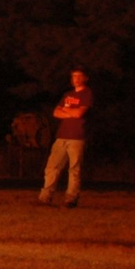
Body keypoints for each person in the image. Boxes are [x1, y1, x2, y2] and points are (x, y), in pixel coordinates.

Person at [38, 68, 94, 207]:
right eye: (74, 76)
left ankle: (71, 198)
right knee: (52, 166)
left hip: (77, 136)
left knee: (74, 169)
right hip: (62, 135)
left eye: (79, 76)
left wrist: (67, 110)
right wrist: (70, 112)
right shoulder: (68, 94)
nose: (76, 79)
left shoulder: (87, 94)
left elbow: (79, 113)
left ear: (85, 78)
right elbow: (56, 112)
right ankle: (45, 197)